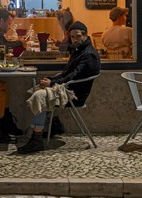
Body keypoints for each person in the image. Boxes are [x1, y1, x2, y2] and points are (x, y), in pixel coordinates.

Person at [17, 21, 101, 154]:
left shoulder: (88, 55)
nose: (75, 40)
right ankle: (53, 125)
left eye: (78, 36)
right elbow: (66, 73)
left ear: (85, 35)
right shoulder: (79, 50)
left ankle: (36, 140)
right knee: (38, 89)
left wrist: (52, 83)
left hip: (75, 94)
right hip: (69, 88)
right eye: (72, 37)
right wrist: (51, 80)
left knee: (40, 96)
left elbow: (73, 77)